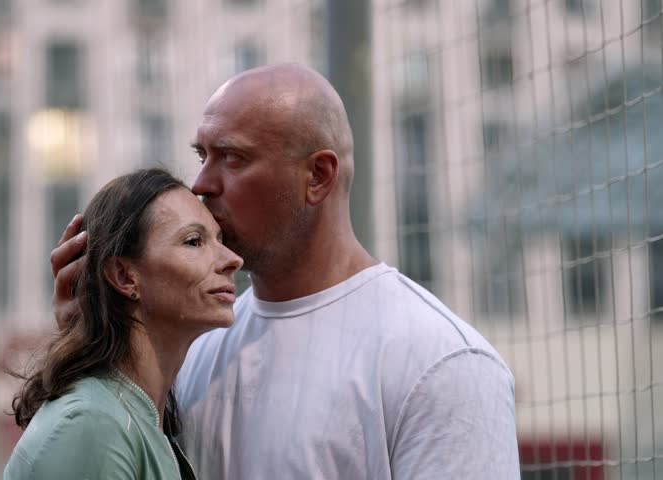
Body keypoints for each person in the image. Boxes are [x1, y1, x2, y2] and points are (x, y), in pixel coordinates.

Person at [51, 64, 520, 478]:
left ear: (318, 176)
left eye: (233, 158)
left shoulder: (438, 362)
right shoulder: (191, 344)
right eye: (202, 155)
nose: (201, 184)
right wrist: (97, 346)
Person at [5, 168, 243, 479]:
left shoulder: (137, 419)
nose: (231, 259)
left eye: (220, 239)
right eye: (194, 241)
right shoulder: (93, 425)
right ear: (123, 276)